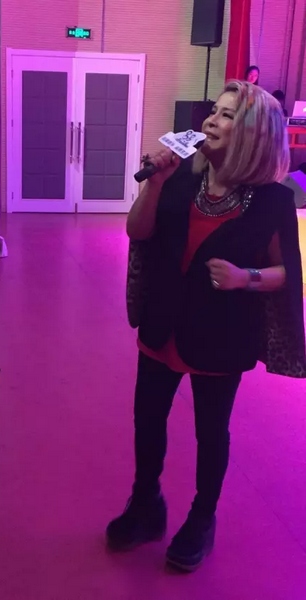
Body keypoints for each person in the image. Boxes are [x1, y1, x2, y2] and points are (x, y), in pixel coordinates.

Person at [106, 81, 306, 572]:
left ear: (254, 134)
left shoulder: (274, 201)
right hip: (163, 321)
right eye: (214, 111)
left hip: (222, 333)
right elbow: (138, 231)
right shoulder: (179, 177)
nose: (211, 120)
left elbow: (286, 272)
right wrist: (154, 184)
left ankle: (201, 517)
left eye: (227, 115)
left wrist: (245, 277)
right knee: (147, 419)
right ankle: (146, 503)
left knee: (211, 432)